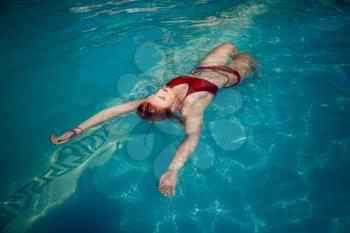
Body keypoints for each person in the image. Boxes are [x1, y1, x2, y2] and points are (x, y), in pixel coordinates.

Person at [50, 42, 259, 197]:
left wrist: (75, 130)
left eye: (159, 91)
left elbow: (110, 112)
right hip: (231, 76)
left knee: (229, 45)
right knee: (247, 59)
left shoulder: (154, 102)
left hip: (205, 68)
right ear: (169, 108)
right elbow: (191, 137)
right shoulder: (192, 108)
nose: (163, 89)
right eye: (162, 95)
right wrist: (172, 170)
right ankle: (253, 70)